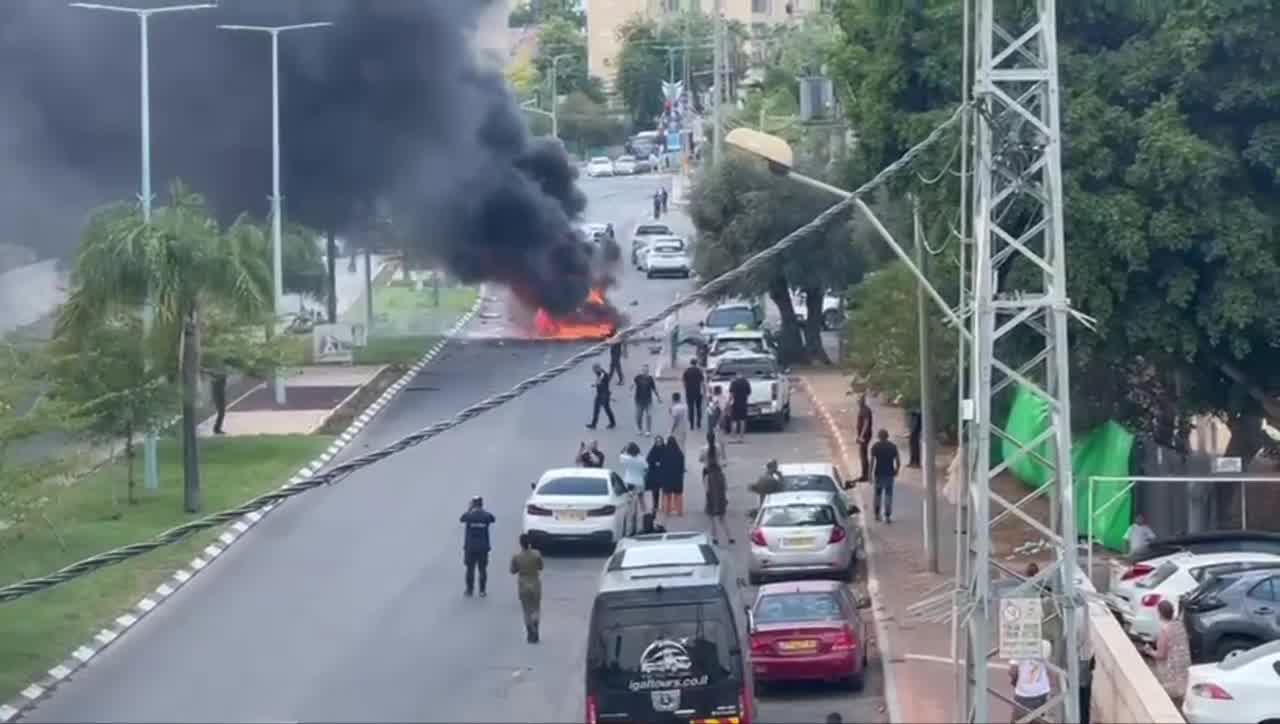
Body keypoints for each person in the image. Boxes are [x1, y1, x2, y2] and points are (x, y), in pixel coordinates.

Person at [1145, 599, 1190, 708]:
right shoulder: (1179, 625)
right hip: (1184, 670)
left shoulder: (1164, 631)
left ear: (1159, 613)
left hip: (1171, 673)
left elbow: (1161, 655)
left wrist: (1149, 651)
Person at [509, 533, 544, 643]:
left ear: (520, 544)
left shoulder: (516, 556)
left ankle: (530, 633)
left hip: (523, 584)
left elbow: (512, 571)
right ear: (529, 543)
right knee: (536, 608)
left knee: (526, 610)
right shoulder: (536, 554)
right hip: (535, 583)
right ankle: (535, 626)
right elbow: (541, 567)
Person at [1008, 638, 1052, 723]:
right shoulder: (1046, 644)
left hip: (1024, 694)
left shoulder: (1019, 646)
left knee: (1018, 719)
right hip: (1042, 691)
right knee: (1038, 720)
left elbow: (1012, 671)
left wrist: (1015, 680)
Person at [460, 496, 495, 597]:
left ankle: (469, 590)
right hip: (483, 547)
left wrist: (469, 509)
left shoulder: (469, 516)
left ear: (473, 504)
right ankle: (482, 591)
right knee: (482, 569)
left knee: (470, 569)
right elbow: (493, 519)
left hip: (470, 547)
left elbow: (462, 518)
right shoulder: (486, 516)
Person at [703, 443, 733, 544]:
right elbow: (726, 487)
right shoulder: (721, 475)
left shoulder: (707, 476)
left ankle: (715, 538)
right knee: (723, 520)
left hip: (711, 500)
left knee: (711, 520)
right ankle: (730, 537)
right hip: (721, 499)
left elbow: (706, 489)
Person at [870, 429, 900, 523]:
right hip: (889, 474)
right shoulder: (893, 446)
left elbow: (872, 462)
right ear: (887, 436)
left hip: (878, 473)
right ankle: (887, 516)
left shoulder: (875, 446)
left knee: (877, 494)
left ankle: (877, 515)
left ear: (879, 436)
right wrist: (896, 470)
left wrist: (869, 474)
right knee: (888, 495)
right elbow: (898, 461)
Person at [661, 435, 686, 517]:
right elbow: (682, 467)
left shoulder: (664, 453)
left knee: (667, 496)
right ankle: (680, 511)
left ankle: (667, 511)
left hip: (667, 478)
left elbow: (662, 466)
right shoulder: (679, 454)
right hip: (677, 478)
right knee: (678, 496)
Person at [619, 442, 648, 511]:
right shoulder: (641, 459)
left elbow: (621, 454)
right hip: (639, 481)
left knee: (629, 498)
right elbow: (646, 468)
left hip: (629, 481)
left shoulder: (626, 458)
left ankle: (628, 511)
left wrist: (624, 448)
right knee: (641, 498)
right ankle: (644, 512)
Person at [632, 364, 660, 434]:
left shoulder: (650, 379)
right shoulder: (637, 377)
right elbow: (633, 383)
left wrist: (658, 397)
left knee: (649, 415)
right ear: (642, 371)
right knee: (639, 416)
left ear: (648, 371)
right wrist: (631, 387)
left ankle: (648, 430)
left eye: (646, 370)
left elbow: (654, 388)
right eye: (644, 370)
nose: (645, 371)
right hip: (639, 400)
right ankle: (639, 428)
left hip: (648, 400)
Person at [587, 364, 616, 430]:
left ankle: (611, 423)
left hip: (604, 394)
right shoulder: (600, 373)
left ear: (598, 368)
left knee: (604, 409)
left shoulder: (602, 374)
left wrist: (594, 385)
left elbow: (599, 381)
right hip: (602, 393)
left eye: (594, 370)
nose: (593, 371)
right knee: (601, 409)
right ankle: (594, 424)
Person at [728, 370, 752, 443]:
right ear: (743, 375)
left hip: (735, 403)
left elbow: (731, 394)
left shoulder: (734, 382)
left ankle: (733, 438)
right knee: (742, 421)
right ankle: (741, 438)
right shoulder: (746, 382)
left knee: (734, 420)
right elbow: (749, 392)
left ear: (736, 375)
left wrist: (729, 402)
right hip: (743, 403)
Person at [645, 435, 666, 515]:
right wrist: (654, 462)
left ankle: (664, 506)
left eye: (660, 441)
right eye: (657, 442)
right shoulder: (653, 450)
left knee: (665, 491)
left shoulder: (665, 449)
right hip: (654, 474)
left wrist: (662, 463)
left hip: (663, 473)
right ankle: (655, 506)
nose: (658, 443)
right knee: (655, 491)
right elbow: (648, 459)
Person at [682, 358, 705, 430]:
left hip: (689, 392)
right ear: (696, 363)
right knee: (698, 408)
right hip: (698, 392)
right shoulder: (699, 371)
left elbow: (684, 381)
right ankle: (698, 423)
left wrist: (686, 388)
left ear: (690, 363)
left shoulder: (687, 371)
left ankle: (691, 425)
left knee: (691, 408)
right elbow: (702, 381)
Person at [856, 394, 874, 481]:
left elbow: (866, 424)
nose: (857, 401)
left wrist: (861, 436)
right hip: (864, 435)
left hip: (865, 435)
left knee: (863, 455)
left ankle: (865, 475)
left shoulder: (865, 410)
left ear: (862, 401)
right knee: (863, 454)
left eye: (859, 400)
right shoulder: (862, 409)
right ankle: (864, 474)